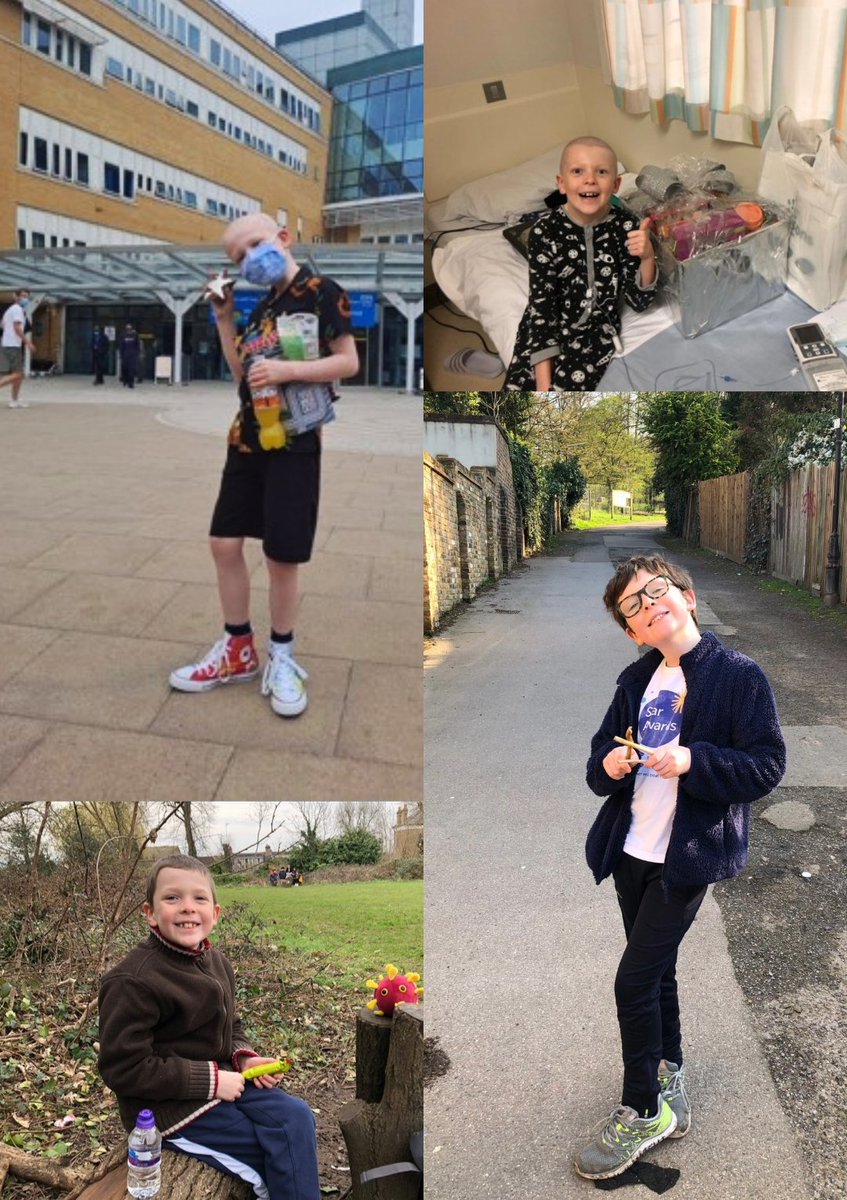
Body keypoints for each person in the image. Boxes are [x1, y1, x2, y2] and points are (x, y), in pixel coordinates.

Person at [575, 554, 785, 1180]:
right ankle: (669, 1076)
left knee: (631, 982)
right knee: (656, 969)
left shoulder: (738, 677)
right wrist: (608, 766)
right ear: (633, 631)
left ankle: (643, 1111)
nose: (648, 606)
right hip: (631, 851)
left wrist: (694, 760)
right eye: (633, 608)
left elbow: (767, 765)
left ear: (686, 597)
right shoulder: (634, 682)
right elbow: (599, 760)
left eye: (655, 591)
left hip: (683, 860)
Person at [168, 212, 358, 717]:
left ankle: (282, 655)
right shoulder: (257, 309)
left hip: (295, 440)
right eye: (237, 256)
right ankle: (237, 648)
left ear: (282, 238)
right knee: (223, 542)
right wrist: (225, 317)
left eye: (253, 244)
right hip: (246, 437)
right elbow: (241, 374)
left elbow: (348, 361)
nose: (247, 258)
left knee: (281, 556)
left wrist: (290, 368)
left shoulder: (320, 290)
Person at [98, 853, 320, 1200]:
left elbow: (230, 1024)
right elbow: (123, 1069)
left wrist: (243, 1058)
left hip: (227, 1082)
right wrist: (212, 1081)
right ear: (150, 914)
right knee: (271, 1152)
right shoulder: (133, 981)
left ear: (214, 915)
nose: (187, 907)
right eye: (172, 898)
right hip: (169, 1110)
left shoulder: (216, 963)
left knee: (296, 1117)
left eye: (199, 898)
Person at [505, 136, 656, 392]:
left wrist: (648, 257)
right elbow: (542, 309)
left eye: (602, 171)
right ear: (561, 184)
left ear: (616, 184)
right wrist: (543, 388)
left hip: (594, 334)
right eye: (578, 171)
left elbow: (639, 302)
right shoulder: (544, 232)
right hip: (545, 324)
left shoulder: (625, 227)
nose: (590, 179)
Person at [0, 288, 36, 408]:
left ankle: (14, 400)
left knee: (18, 374)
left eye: (26, 297)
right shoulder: (17, 309)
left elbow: (2, 324)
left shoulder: (10, 310)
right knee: (18, 374)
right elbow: (17, 327)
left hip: (9, 344)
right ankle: (14, 400)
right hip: (12, 345)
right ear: (15, 296)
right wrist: (28, 343)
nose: (24, 299)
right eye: (22, 296)